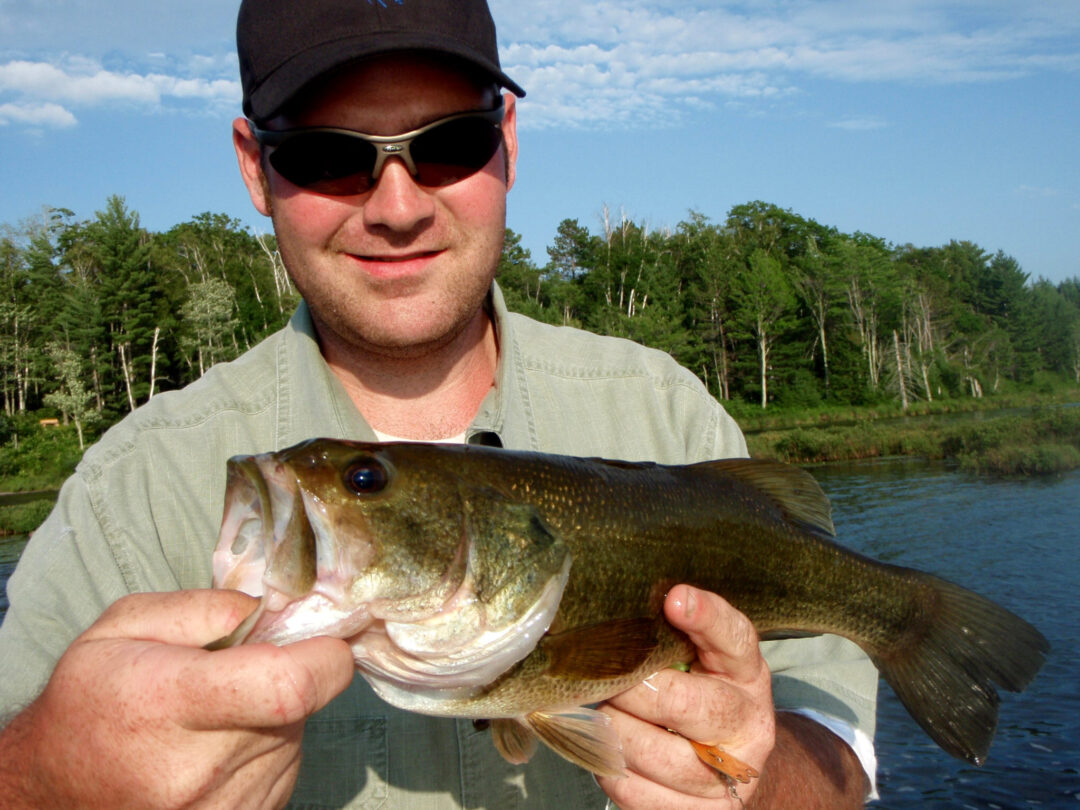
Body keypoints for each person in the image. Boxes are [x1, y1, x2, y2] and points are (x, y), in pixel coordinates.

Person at [0, 0, 879, 807]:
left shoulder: (665, 415)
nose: (397, 207)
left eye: (449, 143)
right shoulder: (137, 487)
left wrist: (761, 788)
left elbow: (838, 747)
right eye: (327, 156)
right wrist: (46, 778)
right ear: (254, 168)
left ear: (508, 141)